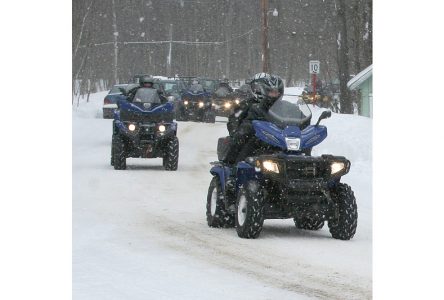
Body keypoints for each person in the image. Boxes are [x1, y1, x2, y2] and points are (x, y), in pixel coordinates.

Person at [223, 74, 284, 165]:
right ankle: (232, 166)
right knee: (242, 139)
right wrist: (238, 131)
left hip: (276, 137)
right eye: (256, 87)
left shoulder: (282, 107)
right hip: (254, 137)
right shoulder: (247, 104)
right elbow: (234, 119)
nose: (257, 90)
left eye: (276, 92)